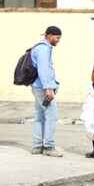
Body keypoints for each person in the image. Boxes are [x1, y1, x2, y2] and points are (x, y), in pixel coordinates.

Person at [31, 26, 63, 157]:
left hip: (37, 86)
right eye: (57, 38)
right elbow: (43, 70)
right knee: (52, 116)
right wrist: (48, 89)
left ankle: (37, 146)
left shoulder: (39, 47)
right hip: (43, 89)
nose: (58, 40)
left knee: (40, 116)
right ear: (49, 36)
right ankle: (49, 147)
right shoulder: (43, 49)